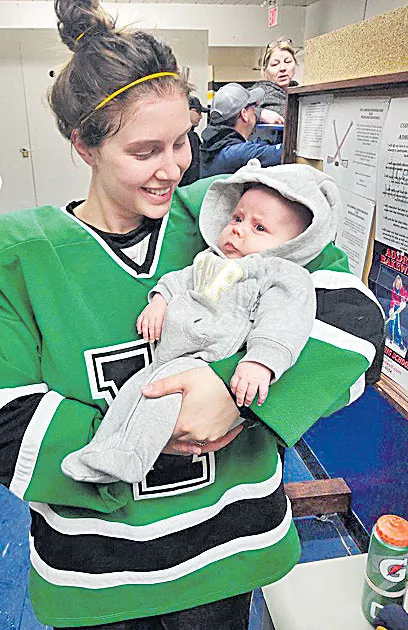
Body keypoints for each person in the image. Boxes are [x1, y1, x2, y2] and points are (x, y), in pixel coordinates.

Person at [0, 0, 385, 626]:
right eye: (145, 150)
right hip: (98, 579)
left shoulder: (225, 218)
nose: (172, 168)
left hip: (228, 557)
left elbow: (352, 315)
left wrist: (239, 394)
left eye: (182, 142)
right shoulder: (9, 258)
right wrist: (150, 438)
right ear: (84, 145)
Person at [62, 162, 338, 485]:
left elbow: (284, 321)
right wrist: (160, 300)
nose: (238, 229)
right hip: (170, 353)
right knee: (132, 392)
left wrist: (261, 362)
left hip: (205, 360)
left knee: (157, 401)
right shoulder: (210, 260)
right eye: (237, 218)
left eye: (259, 228)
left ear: (292, 245)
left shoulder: (279, 274)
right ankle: (101, 449)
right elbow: (180, 281)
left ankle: (131, 458)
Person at [200, 82, 282, 178]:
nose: (256, 111)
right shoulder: (236, 153)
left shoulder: (214, 145)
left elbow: (255, 146)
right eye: (254, 106)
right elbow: (282, 153)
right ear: (244, 114)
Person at [252, 38, 299, 125]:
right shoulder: (260, 92)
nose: (282, 68)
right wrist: (259, 114)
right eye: (275, 64)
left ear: (295, 64)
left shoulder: (301, 94)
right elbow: (228, 112)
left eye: (287, 62)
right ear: (266, 70)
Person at [179, 96, 207, 187]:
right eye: (198, 112)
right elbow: (193, 171)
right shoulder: (191, 137)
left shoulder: (180, 134)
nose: (201, 116)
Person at [387, 274, 407, 352]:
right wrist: (391, 309)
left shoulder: (402, 291)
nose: (397, 285)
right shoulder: (393, 290)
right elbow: (392, 300)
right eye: (396, 283)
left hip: (398, 308)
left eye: (399, 283)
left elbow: (405, 297)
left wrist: (402, 305)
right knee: (391, 324)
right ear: (395, 283)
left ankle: (399, 343)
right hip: (393, 307)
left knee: (397, 326)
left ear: (400, 283)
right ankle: (391, 338)